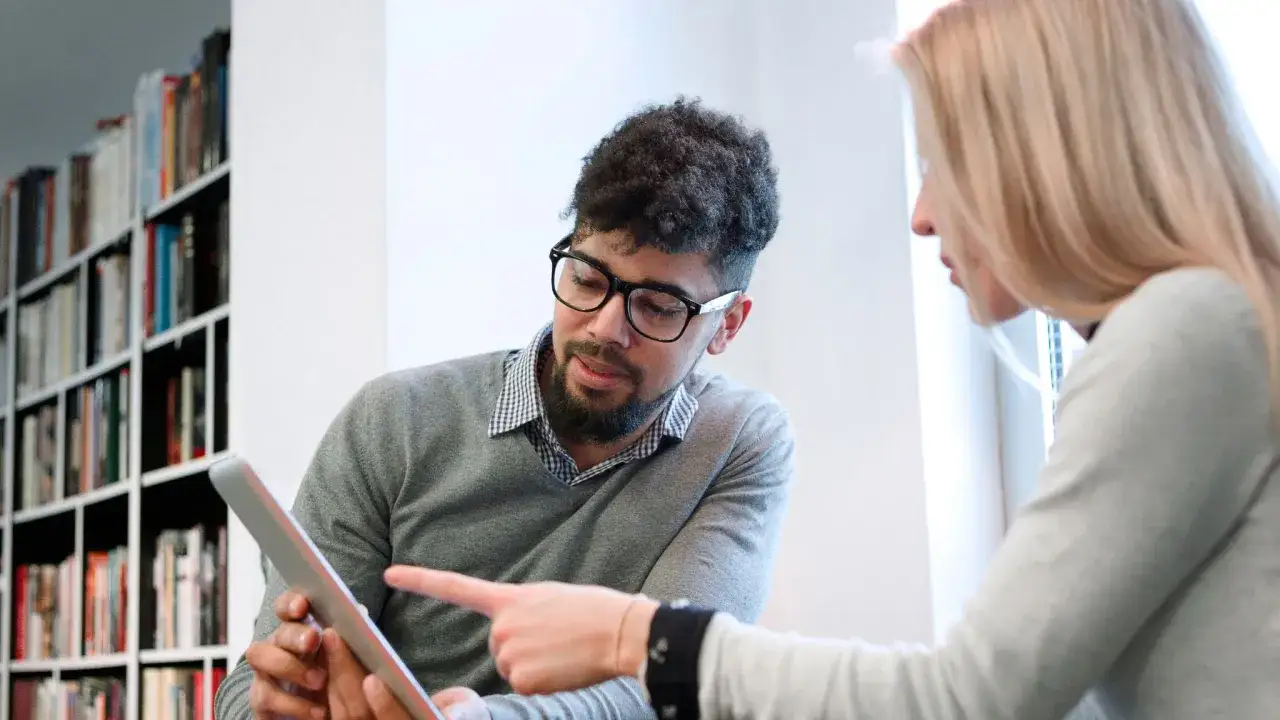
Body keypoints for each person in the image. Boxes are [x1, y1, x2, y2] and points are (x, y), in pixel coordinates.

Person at [382, 1, 1280, 718]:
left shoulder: (1184, 331)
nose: (923, 215)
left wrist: (634, 638)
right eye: (590, 278)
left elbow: (969, 697)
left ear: (1049, 160)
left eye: (944, 164)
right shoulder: (1193, 331)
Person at [213, 97, 797, 720]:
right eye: (587, 278)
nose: (605, 329)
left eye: (657, 307)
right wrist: (281, 703)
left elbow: (674, 683)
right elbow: (248, 689)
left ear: (727, 324)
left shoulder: (737, 442)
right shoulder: (392, 423)